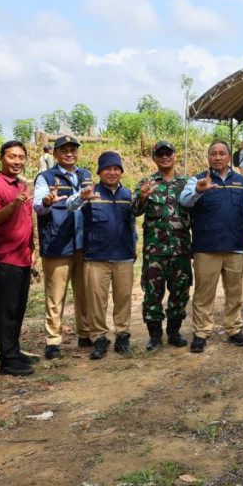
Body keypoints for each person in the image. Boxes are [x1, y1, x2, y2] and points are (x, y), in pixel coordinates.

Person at [180, 140, 243, 353]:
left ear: (228, 157)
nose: (217, 157)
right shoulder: (197, 179)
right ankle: (201, 332)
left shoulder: (241, 181)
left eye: (222, 153)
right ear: (208, 157)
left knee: (235, 292)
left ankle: (233, 328)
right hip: (206, 246)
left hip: (234, 245)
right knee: (204, 293)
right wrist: (198, 189)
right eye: (213, 153)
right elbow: (184, 200)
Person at [67, 151, 136, 360]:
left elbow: (132, 224)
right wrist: (81, 196)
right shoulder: (89, 192)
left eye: (116, 169)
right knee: (96, 300)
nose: (112, 173)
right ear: (100, 172)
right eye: (108, 169)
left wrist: (134, 246)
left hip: (123, 256)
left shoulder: (127, 194)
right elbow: (71, 206)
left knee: (123, 298)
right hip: (96, 256)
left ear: (121, 172)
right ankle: (99, 338)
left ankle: (122, 335)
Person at [34, 135, 93, 360]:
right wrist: (48, 201)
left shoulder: (84, 175)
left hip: (82, 244)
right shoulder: (46, 177)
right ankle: (53, 340)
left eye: (73, 149)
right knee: (55, 295)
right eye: (64, 150)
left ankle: (85, 333)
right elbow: (38, 206)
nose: (69, 153)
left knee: (84, 292)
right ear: (55, 154)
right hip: (58, 243)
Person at [0, 140, 37, 377]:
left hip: (22, 256)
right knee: (7, 309)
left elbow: (25, 222)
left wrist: (32, 250)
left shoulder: (20, 186)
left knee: (19, 308)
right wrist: (13, 204)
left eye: (21, 157)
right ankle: (7, 359)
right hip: (4, 258)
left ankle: (14, 350)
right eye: (12, 157)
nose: (17, 161)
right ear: (1, 158)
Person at [132, 140, 192, 350]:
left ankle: (174, 333)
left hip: (181, 251)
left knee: (180, 293)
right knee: (152, 294)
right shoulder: (146, 183)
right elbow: (134, 211)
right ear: (154, 158)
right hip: (155, 252)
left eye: (168, 153)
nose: (165, 157)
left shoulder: (186, 184)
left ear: (175, 155)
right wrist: (142, 197)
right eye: (160, 154)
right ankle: (155, 336)